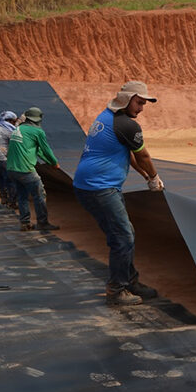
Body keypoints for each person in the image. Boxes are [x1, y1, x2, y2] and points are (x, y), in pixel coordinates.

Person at [73, 81, 164, 306]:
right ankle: (117, 290)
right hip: (100, 187)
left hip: (88, 185)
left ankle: (129, 280)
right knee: (123, 236)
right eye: (139, 102)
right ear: (127, 99)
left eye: (144, 103)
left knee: (121, 235)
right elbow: (143, 156)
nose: (142, 108)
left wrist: (146, 177)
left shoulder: (106, 117)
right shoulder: (126, 125)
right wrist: (153, 177)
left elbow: (129, 156)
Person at [7, 107, 62, 232]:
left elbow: (36, 150)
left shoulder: (18, 129)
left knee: (22, 196)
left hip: (11, 168)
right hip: (25, 169)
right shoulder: (37, 132)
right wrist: (54, 163)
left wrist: (49, 161)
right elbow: (46, 149)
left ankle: (25, 223)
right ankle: (43, 223)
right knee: (39, 195)